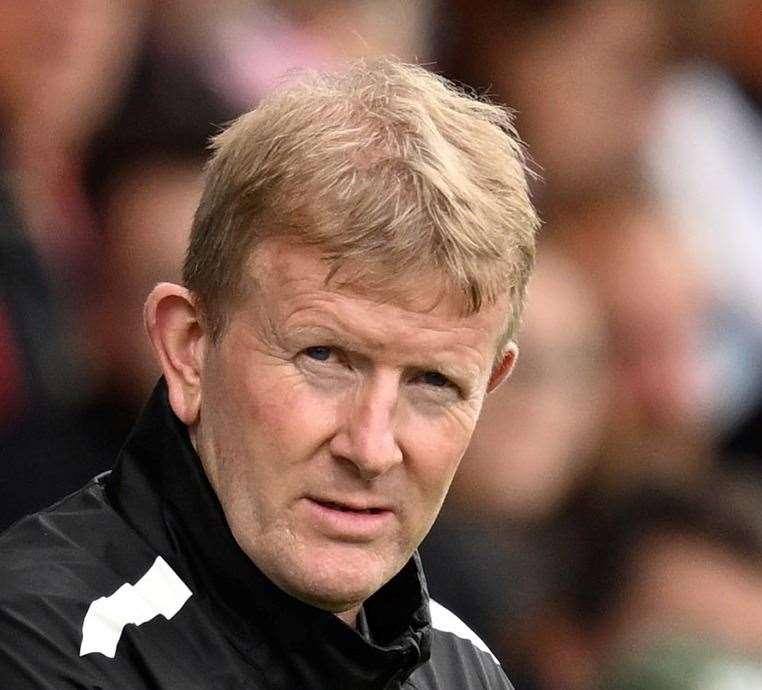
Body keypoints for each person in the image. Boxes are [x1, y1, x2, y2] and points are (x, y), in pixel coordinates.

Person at [0, 58, 539, 689]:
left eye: (434, 383)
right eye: (324, 358)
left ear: (490, 387)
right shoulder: (35, 648)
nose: (370, 448)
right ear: (188, 348)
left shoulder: (466, 671)